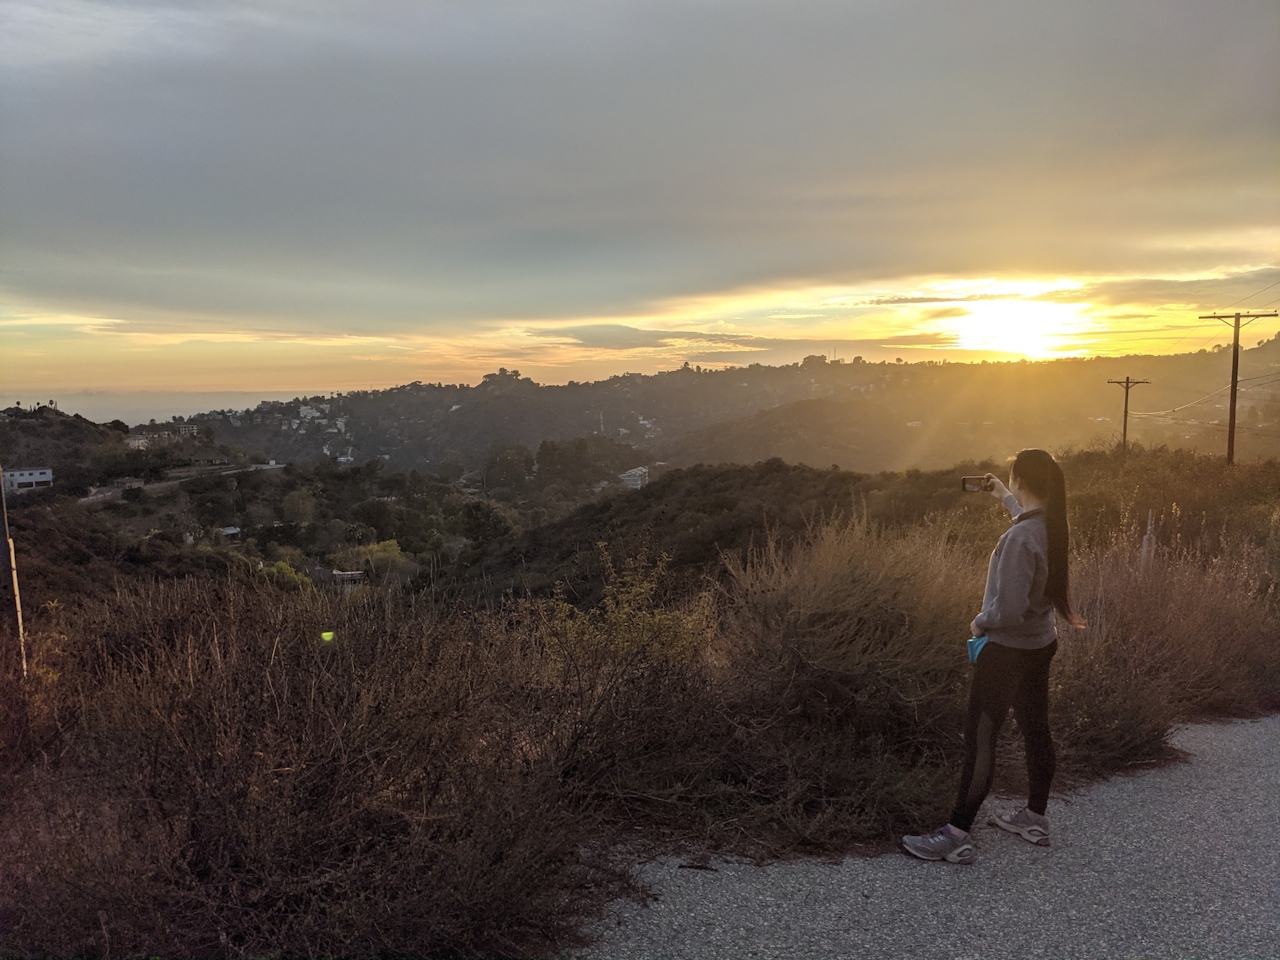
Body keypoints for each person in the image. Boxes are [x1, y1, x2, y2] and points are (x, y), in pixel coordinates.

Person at [902, 448, 1083, 865]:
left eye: (1010, 478)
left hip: (1005, 653)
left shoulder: (1021, 537)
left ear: (1020, 477)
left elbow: (1009, 609)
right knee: (1036, 729)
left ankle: (956, 834)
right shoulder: (1052, 526)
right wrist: (1004, 497)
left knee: (981, 740)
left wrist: (979, 622)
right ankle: (1034, 818)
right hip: (1040, 644)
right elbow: (1027, 527)